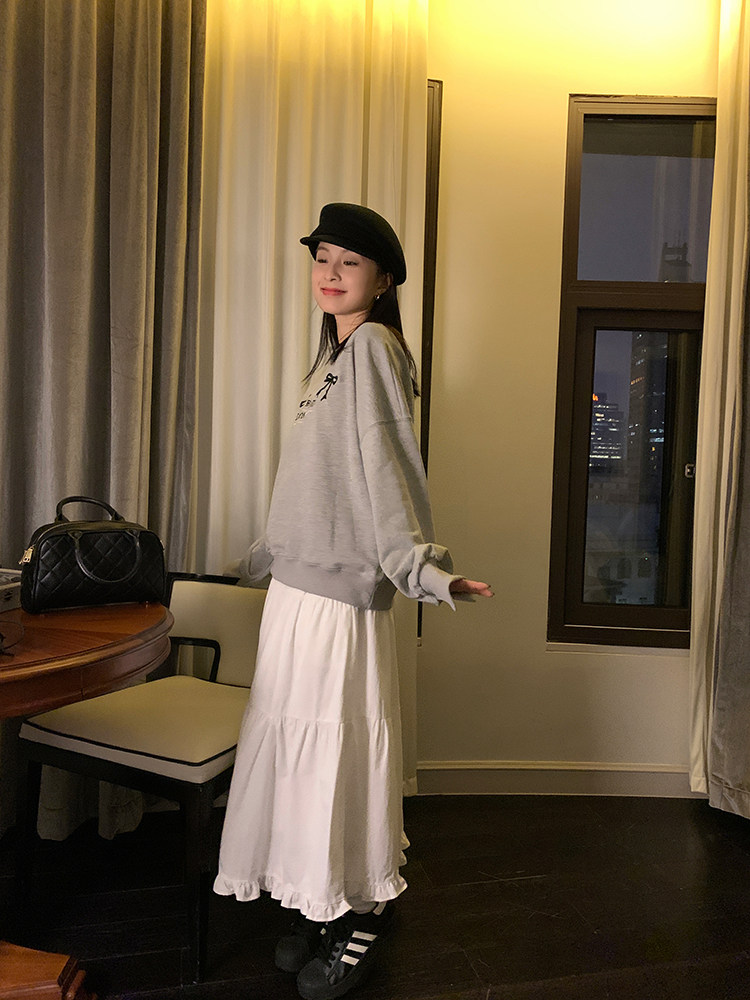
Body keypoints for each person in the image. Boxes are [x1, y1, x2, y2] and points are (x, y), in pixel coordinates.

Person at [214, 203, 493, 1000]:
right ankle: (319, 896)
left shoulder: (372, 349)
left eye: (350, 261)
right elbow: (312, 487)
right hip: (296, 590)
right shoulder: (328, 361)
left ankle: (360, 911)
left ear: (384, 280)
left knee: (335, 757)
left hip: (338, 599)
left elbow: (390, 471)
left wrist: (421, 570)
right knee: (302, 760)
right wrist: (251, 563)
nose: (330, 273)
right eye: (322, 258)